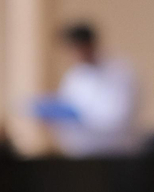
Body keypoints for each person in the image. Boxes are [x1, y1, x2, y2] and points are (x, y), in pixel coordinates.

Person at [36, 22, 140, 156]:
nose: (72, 55)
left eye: (75, 49)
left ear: (88, 45)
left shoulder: (121, 72)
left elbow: (119, 119)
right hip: (78, 153)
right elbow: (68, 106)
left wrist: (80, 118)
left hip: (114, 152)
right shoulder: (75, 75)